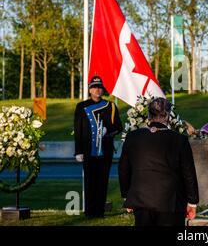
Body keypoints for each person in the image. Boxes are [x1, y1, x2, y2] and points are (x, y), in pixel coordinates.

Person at [119, 97, 199, 226]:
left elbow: (123, 169)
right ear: (167, 116)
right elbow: (188, 173)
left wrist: (127, 196)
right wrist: (192, 202)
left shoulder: (133, 137)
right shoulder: (179, 140)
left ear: (149, 115)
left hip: (141, 200)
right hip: (170, 202)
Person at [74, 76, 123, 218]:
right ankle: (89, 212)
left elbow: (118, 127)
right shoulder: (81, 107)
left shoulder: (111, 106)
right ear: (90, 89)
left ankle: (99, 212)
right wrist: (78, 151)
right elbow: (78, 130)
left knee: (102, 182)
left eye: (100, 87)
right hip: (88, 151)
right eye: (95, 87)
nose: (98, 89)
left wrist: (109, 130)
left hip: (105, 151)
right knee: (89, 182)